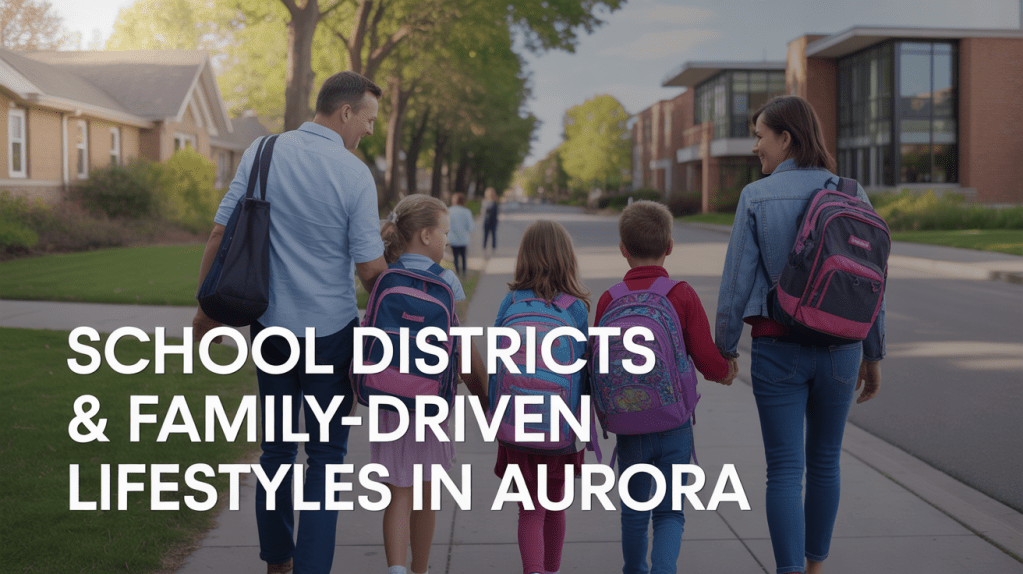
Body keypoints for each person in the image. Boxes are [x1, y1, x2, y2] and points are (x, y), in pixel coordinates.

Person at [191, 71, 388, 574]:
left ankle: (277, 563)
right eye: (367, 119)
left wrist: (205, 312)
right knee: (325, 458)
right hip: (332, 335)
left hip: (271, 330)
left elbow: (220, 232)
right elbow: (370, 270)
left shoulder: (262, 151)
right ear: (345, 112)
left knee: (276, 452)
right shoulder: (353, 174)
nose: (369, 130)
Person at [714, 95, 884, 574]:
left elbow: (735, 285)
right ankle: (816, 569)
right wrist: (873, 353)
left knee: (785, 469)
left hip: (778, 348)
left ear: (786, 138)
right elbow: (872, 284)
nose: (755, 147)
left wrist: (724, 347)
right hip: (841, 351)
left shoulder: (757, 196)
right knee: (826, 462)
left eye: (760, 136)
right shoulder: (852, 193)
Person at [593, 200, 736, 574]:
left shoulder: (609, 299)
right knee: (671, 512)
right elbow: (706, 357)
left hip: (628, 426)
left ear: (623, 249)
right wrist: (725, 370)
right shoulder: (681, 294)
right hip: (673, 423)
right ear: (670, 246)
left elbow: (598, 364)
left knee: (635, 512)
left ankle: (634, 570)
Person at [374, 194, 488, 574]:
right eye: (443, 232)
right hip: (430, 400)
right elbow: (460, 340)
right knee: (426, 493)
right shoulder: (446, 280)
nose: (446, 238)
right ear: (424, 235)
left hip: (388, 399)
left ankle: (395, 568)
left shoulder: (383, 276)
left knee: (397, 494)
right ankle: (420, 569)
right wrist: (484, 392)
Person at [491, 220, 591, 574]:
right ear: (568, 260)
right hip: (559, 429)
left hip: (516, 423)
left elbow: (496, 367)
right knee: (555, 507)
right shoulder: (575, 309)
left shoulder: (510, 302)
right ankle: (550, 569)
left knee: (528, 509)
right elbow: (583, 373)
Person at [447, 192, 473, 276]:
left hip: (453, 238)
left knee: (455, 257)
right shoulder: (466, 211)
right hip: (463, 238)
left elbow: (446, 226)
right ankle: (464, 272)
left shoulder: (449, 211)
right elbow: (471, 227)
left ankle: (457, 272)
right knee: (463, 256)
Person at [481, 187, 499, 252]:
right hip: (487, 221)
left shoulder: (495, 202)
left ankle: (493, 247)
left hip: (493, 221)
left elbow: (496, 213)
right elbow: (483, 212)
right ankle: (484, 247)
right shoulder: (484, 202)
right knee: (486, 235)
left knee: (493, 235)